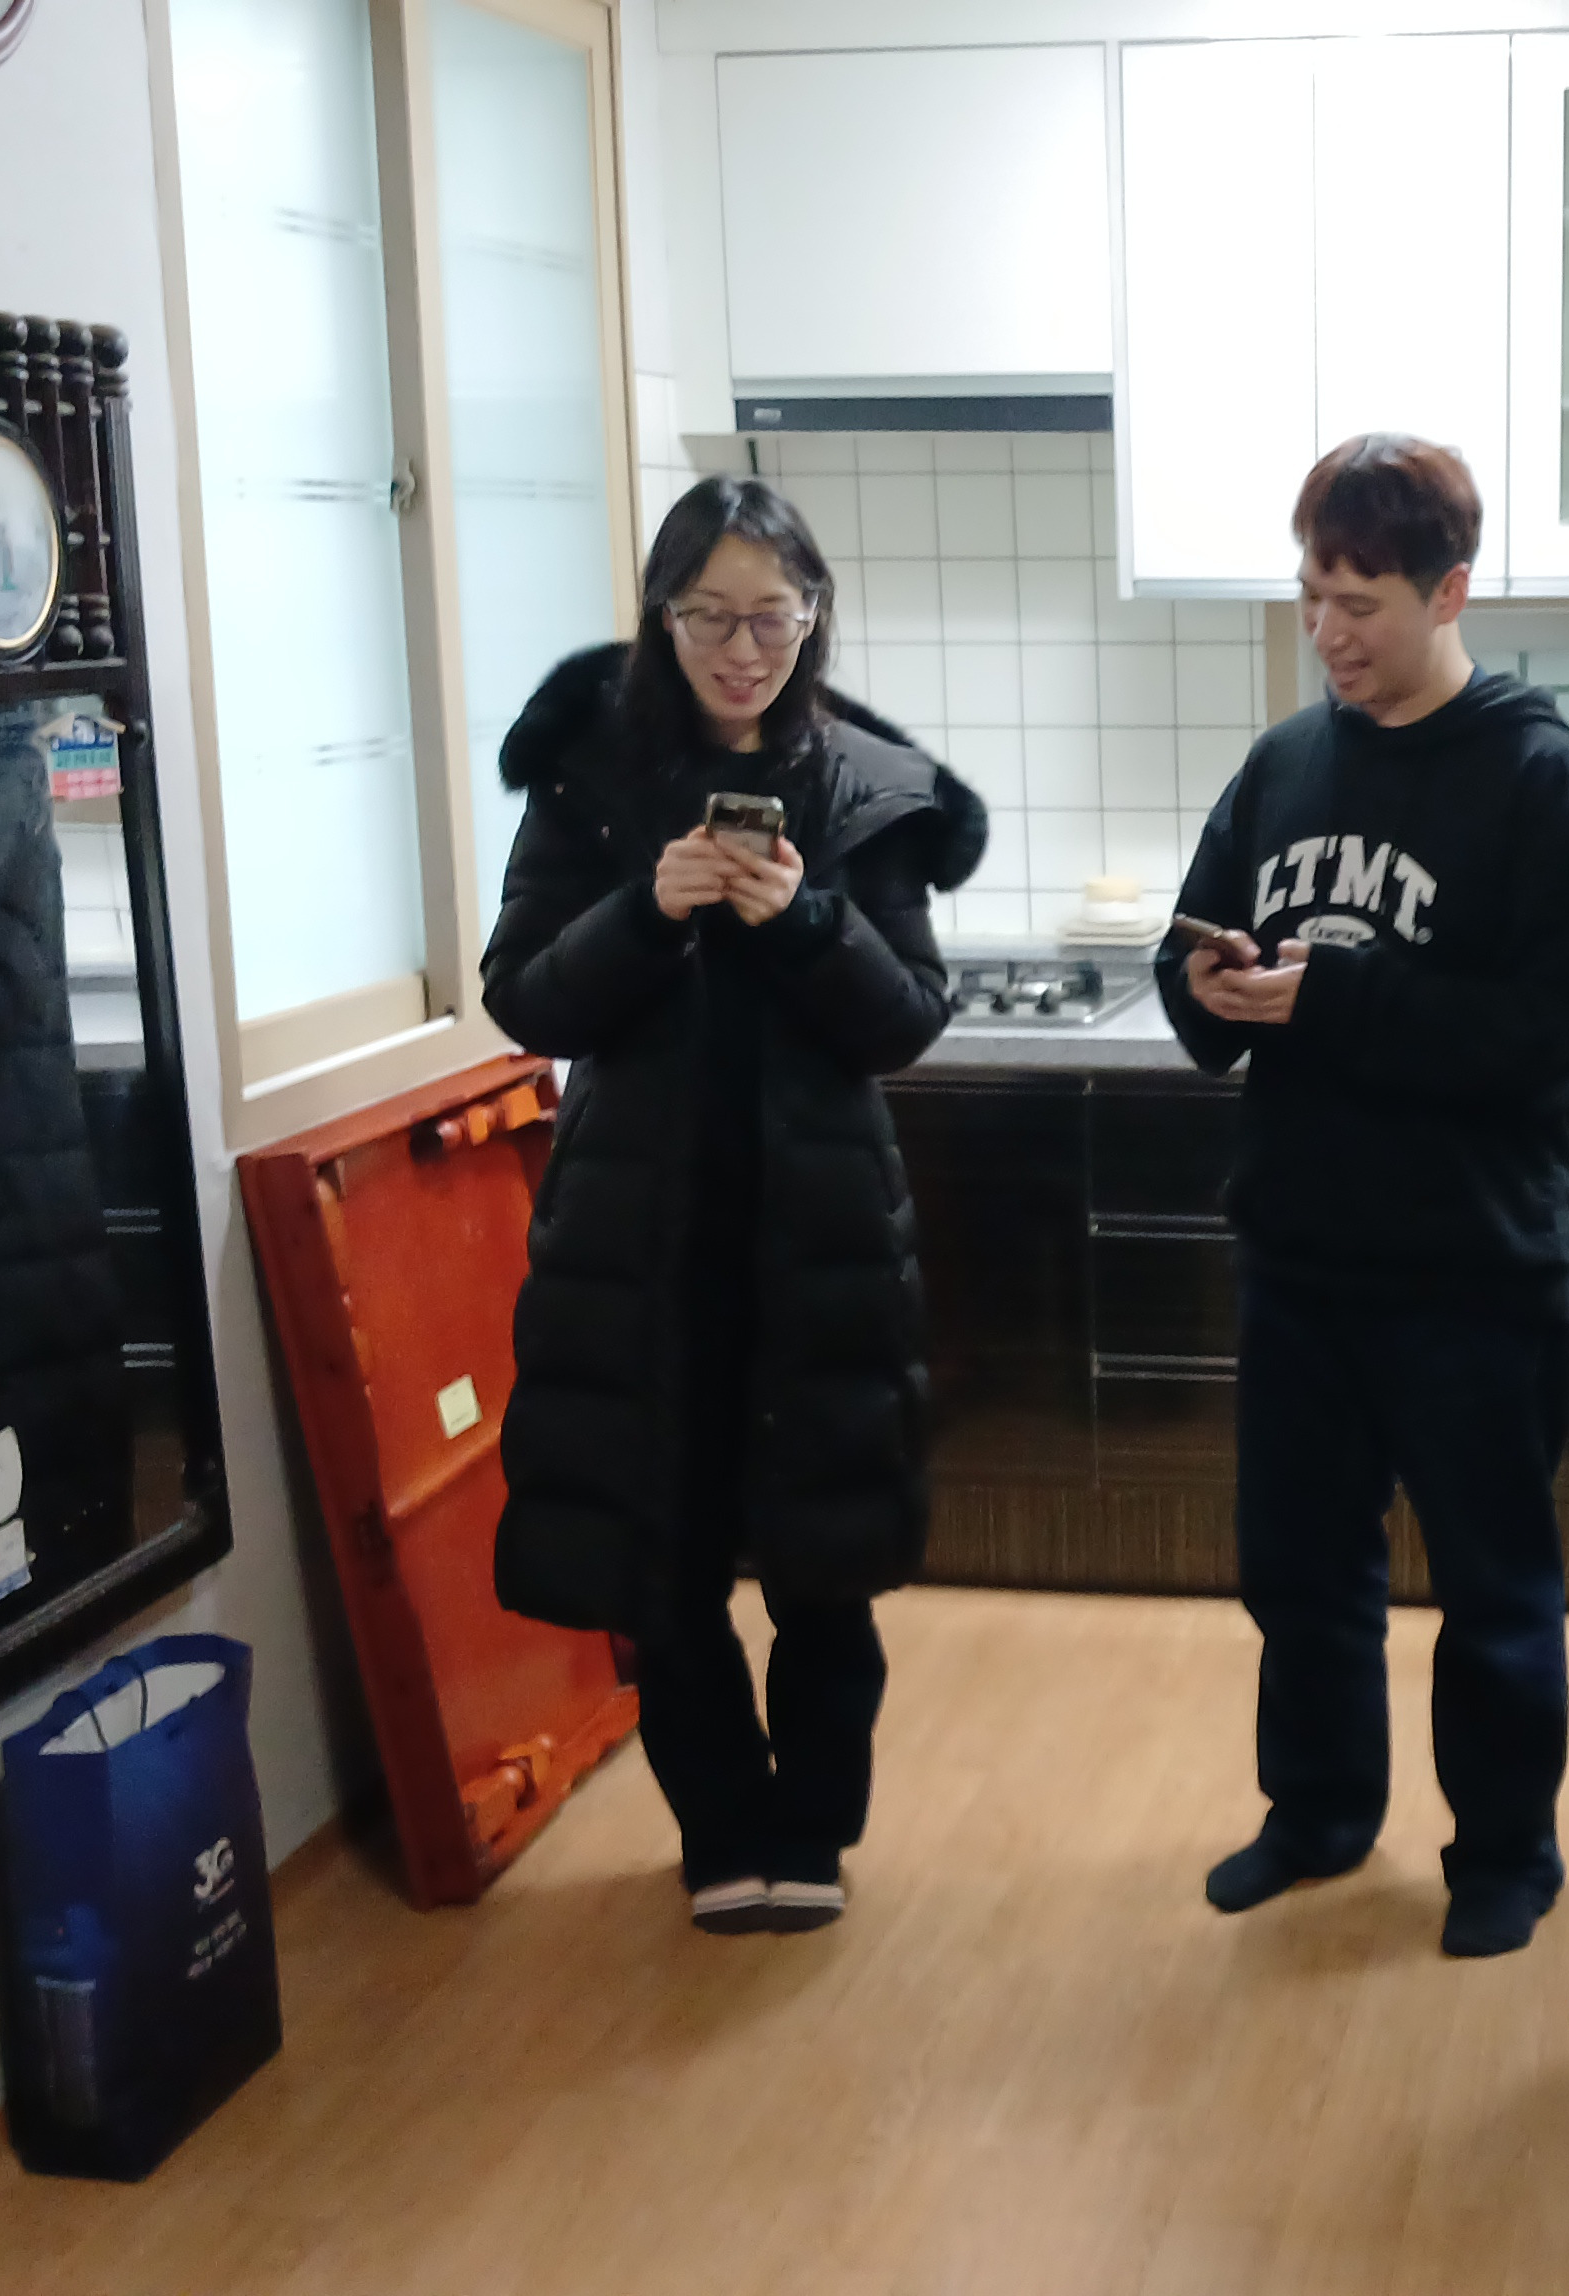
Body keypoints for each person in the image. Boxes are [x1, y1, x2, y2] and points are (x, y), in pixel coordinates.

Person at [485, 473, 986, 1937]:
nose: (743, 649)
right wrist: (649, 909)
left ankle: (811, 1830)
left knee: (827, 1568)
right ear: (663, 615)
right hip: (640, 1245)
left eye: (773, 617)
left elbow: (906, 1019)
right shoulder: (588, 773)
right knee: (665, 1564)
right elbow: (527, 995)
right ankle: (720, 1831)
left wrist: (804, 919)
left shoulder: (868, 788)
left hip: (820, 1243)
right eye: (711, 616)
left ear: (813, 616)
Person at [1160, 433, 1569, 1961]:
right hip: (1300, 1258)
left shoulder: (1538, 778)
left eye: (1360, 602)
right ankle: (1315, 1813)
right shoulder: (1286, 763)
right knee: (1300, 1571)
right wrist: (1208, 986)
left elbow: (1556, 1039)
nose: (1330, 632)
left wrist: (1332, 1000)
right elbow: (1194, 943)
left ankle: (1505, 1854)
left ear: (1449, 591)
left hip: (1475, 1267)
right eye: (1312, 597)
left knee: (1493, 1586)